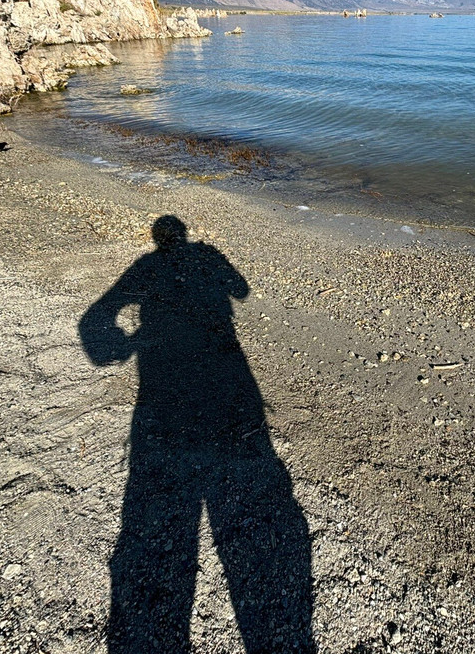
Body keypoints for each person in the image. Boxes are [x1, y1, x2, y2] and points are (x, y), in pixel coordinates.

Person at [80, 215, 315, 653]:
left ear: (158, 239)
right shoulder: (204, 254)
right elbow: (241, 290)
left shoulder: (145, 267)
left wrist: (123, 346)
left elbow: (100, 315)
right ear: (180, 236)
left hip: (161, 381)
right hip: (216, 373)